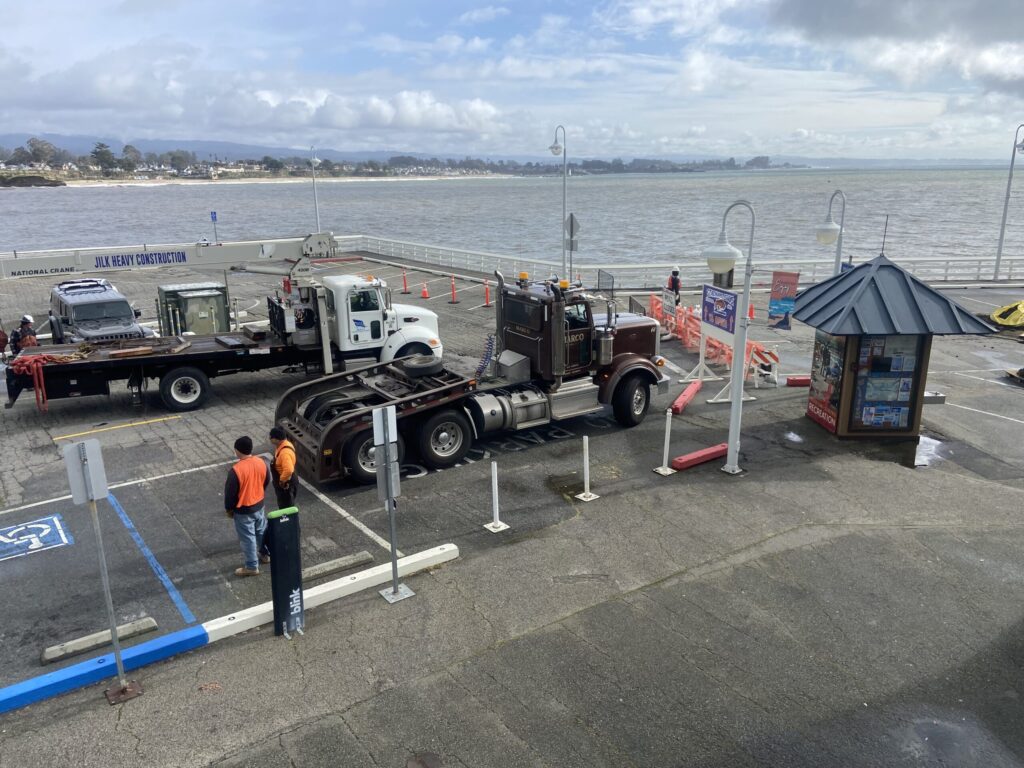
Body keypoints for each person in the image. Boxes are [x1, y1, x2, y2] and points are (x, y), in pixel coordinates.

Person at [224, 436, 270, 577]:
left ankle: (251, 566)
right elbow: (266, 480)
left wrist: (229, 509)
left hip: (244, 510)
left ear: (237, 451)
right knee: (262, 531)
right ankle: (266, 555)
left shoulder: (236, 470)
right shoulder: (262, 462)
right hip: (259, 504)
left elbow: (230, 494)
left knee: (248, 538)